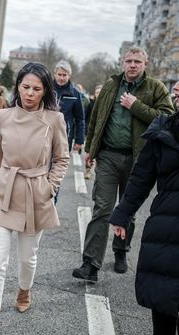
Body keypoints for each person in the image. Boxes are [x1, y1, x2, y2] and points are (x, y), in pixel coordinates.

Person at [0, 62, 70, 335]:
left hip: (35, 193)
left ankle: (24, 289)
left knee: (27, 259)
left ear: (45, 91)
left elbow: (62, 158)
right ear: (17, 87)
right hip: (4, 194)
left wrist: (49, 187)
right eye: (25, 87)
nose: (29, 93)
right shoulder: (3, 115)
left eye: (36, 88)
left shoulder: (54, 119)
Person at [72, 47, 174, 282]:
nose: (132, 65)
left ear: (145, 63)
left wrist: (136, 105)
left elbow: (167, 119)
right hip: (108, 155)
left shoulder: (155, 88)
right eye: (128, 60)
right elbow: (96, 117)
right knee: (102, 208)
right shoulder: (111, 85)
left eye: (137, 61)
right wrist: (91, 148)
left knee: (127, 209)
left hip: (139, 160)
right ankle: (91, 263)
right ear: (122, 62)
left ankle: (120, 251)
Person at [110, 105, 179, 335]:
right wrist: (122, 213)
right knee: (163, 305)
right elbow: (141, 177)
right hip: (165, 226)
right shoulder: (164, 129)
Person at [53, 60, 85, 152]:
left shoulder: (75, 94)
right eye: (59, 74)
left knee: (60, 164)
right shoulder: (47, 90)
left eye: (64, 75)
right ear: (55, 74)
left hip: (65, 136)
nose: (61, 78)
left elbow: (80, 119)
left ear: (69, 76)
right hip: (45, 134)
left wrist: (79, 140)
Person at [84, 84, 103, 180]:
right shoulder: (90, 104)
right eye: (97, 92)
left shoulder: (106, 105)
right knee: (89, 152)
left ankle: (100, 172)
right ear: (94, 94)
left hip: (101, 134)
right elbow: (85, 117)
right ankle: (88, 170)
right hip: (90, 132)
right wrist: (87, 128)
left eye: (100, 92)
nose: (98, 94)